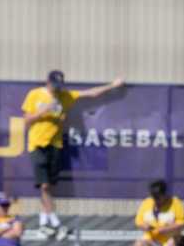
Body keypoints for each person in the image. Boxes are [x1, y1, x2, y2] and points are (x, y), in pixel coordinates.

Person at [22, 69, 125, 233]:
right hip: (37, 144)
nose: (56, 88)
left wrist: (112, 85)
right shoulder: (35, 94)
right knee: (44, 185)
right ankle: (54, 222)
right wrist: (42, 111)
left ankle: (44, 221)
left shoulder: (65, 96)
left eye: (59, 85)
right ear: (47, 81)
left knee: (49, 185)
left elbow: (91, 94)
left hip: (55, 144)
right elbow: (26, 120)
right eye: (54, 84)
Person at [131, 179, 184, 246]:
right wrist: (145, 226)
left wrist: (166, 229)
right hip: (151, 240)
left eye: (158, 197)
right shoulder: (147, 203)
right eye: (154, 197)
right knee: (137, 245)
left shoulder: (175, 202)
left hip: (169, 240)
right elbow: (138, 221)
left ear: (164, 194)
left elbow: (182, 222)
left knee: (173, 245)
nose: (156, 200)